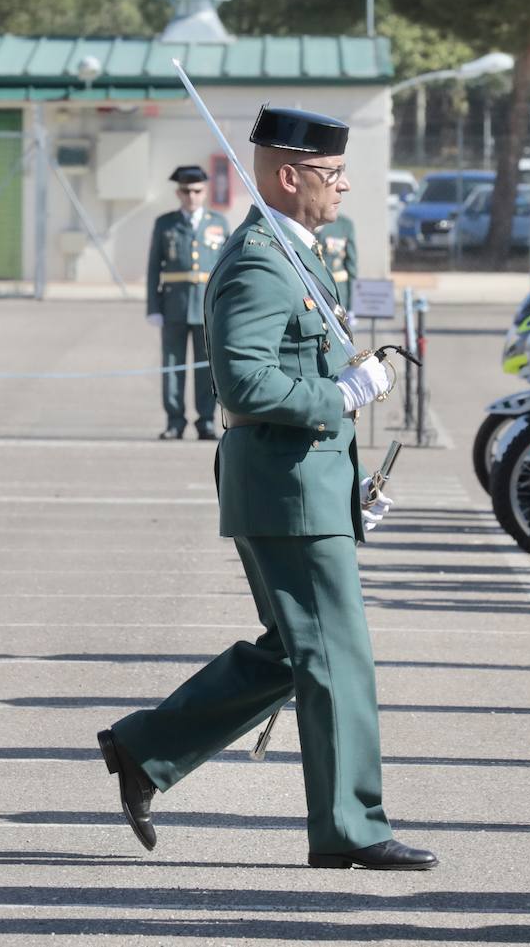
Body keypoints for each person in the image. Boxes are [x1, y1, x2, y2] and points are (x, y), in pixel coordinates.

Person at [97, 106, 437, 872]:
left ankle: (144, 748)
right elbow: (245, 381)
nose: (344, 184)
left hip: (306, 485)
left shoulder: (291, 250)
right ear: (290, 177)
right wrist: (345, 393)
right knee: (336, 656)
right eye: (332, 173)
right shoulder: (258, 259)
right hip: (288, 488)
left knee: (296, 651)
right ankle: (351, 826)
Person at [146, 166, 230, 440]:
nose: (191, 196)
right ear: (177, 193)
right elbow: (153, 268)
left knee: (206, 367)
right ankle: (174, 421)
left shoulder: (218, 223)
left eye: (197, 191)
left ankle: (205, 420)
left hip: (207, 308)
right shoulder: (165, 223)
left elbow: (228, 268)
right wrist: (153, 307)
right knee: (173, 365)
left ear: (205, 192)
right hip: (174, 306)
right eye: (186, 191)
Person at [317, 213, 358, 311]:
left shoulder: (344, 225)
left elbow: (351, 266)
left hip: (339, 289)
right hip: (315, 289)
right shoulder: (308, 221)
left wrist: (351, 305)